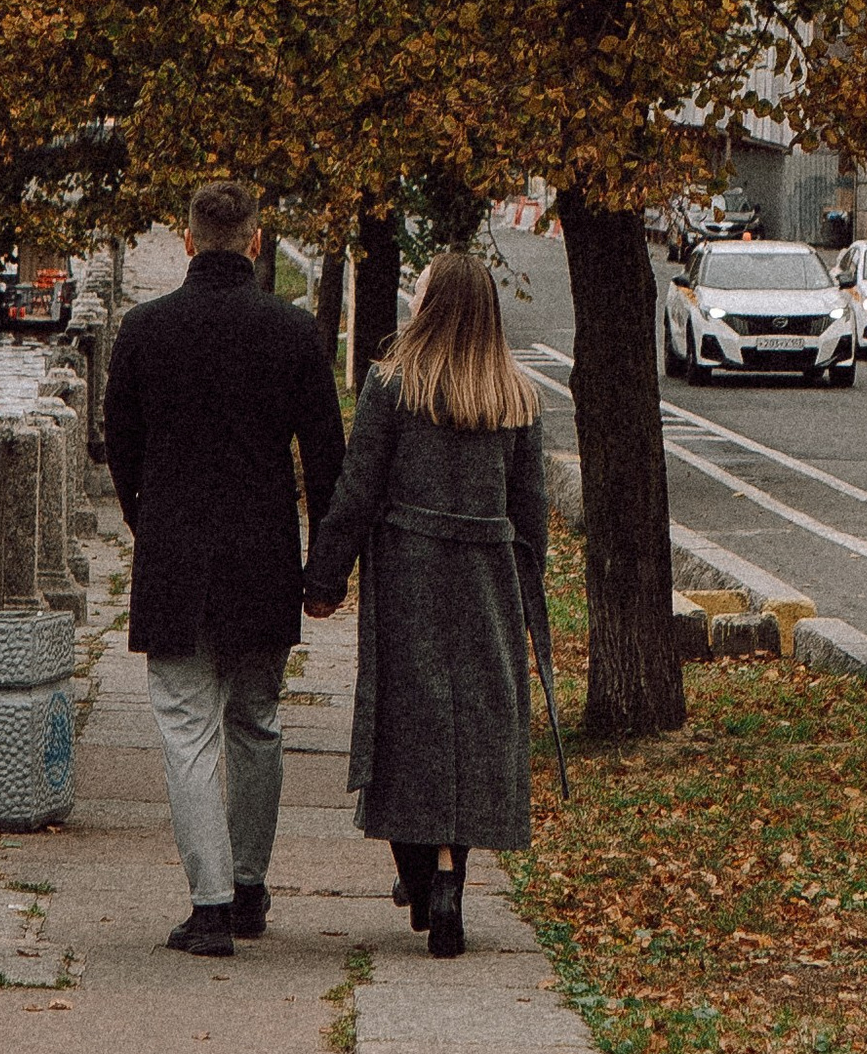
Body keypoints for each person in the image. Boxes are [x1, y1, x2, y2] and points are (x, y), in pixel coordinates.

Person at [104, 178, 346, 956]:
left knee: (185, 730)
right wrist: (326, 569)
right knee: (257, 721)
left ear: (186, 240)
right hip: (262, 556)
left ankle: (207, 904)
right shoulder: (293, 331)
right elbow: (325, 459)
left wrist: (154, 524)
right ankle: (249, 886)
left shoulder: (143, 330)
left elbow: (121, 449)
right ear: (255, 240)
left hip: (176, 556)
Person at [300, 245, 551, 960]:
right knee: (471, 727)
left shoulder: (392, 386)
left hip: (408, 570)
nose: (411, 298)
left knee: (407, 724)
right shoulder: (516, 398)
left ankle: (423, 870)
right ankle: (451, 878)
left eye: (420, 290)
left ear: (435, 306)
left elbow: (356, 490)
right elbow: (530, 516)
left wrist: (324, 578)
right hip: (485, 579)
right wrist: (526, 586)